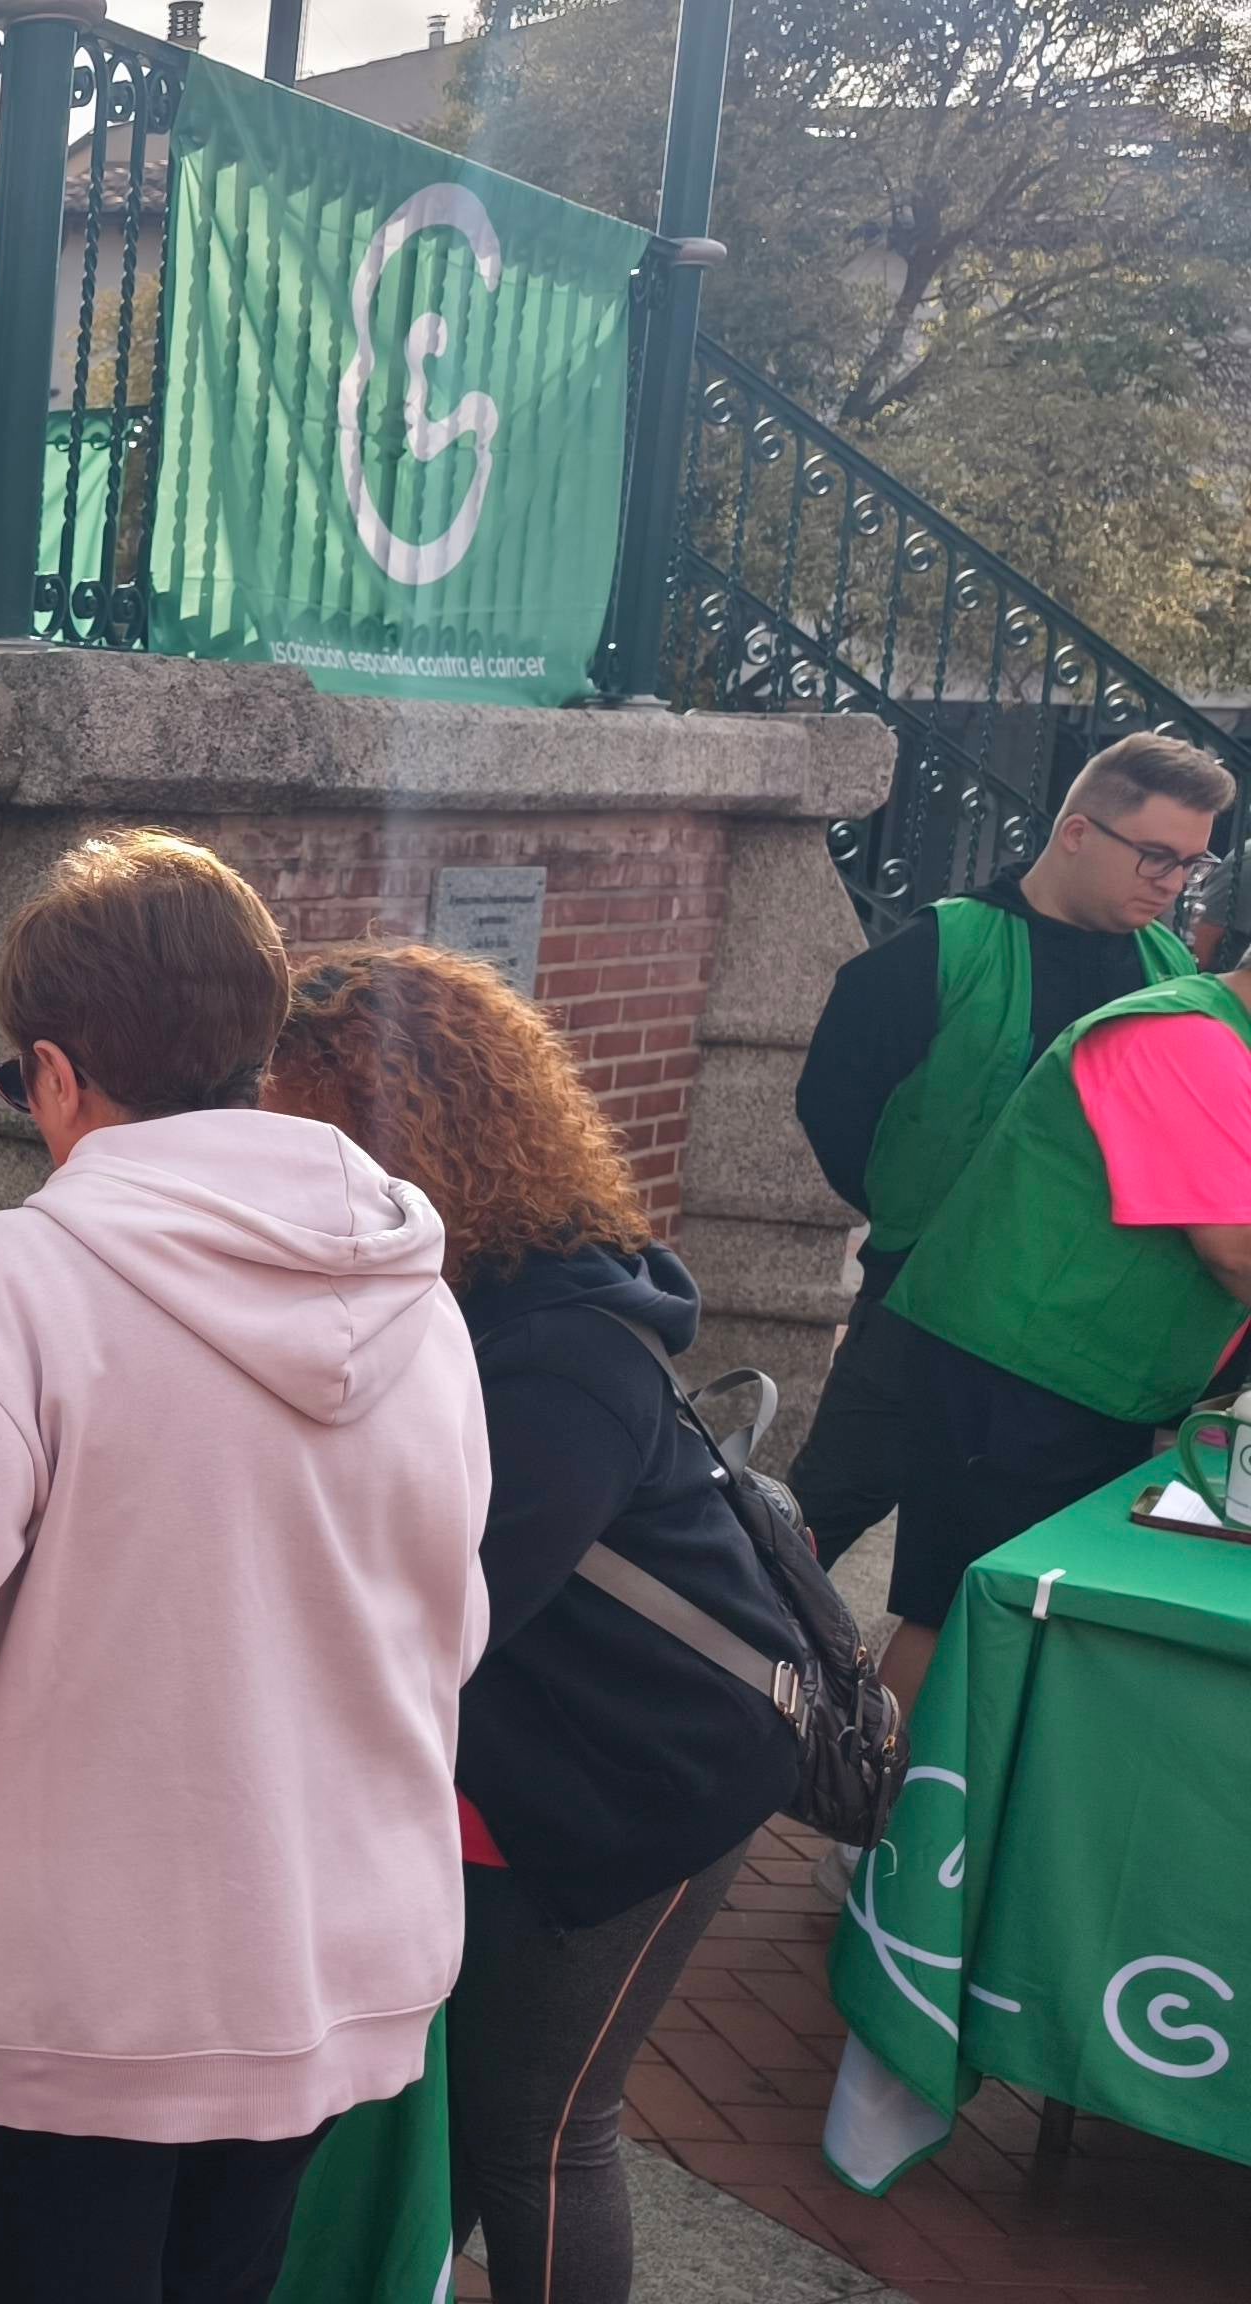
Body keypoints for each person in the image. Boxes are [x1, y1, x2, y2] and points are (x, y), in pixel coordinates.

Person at [0, 831, 489, 2304]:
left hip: (71, 1999)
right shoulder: (414, 1294)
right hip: (322, 1961)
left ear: (55, 1071)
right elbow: (452, 1622)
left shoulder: (20, 1281)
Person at [267, 946, 801, 2304]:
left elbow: (446, 1611)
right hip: (514, 1771)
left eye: (293, 1128)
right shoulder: (432, 1291)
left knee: (542, 2141)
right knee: (459, 2120)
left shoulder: (564, 1344)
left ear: (405, 1134)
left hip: (643, 1779)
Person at [788, 734, 1229, 1578]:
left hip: (1061, 1341)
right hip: (920, 1306)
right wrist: (919, 1217)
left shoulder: (1169, 969)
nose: (1172, 884)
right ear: (1077, 832)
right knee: (806, 1537)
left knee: (1001, 1572)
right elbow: (834, 1103)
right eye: (1155, 857)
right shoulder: (938, 948)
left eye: (1190, 865)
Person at [876, 941, 1251, 1712]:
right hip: (1019, 1366)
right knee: (963, 1609)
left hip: (1097, 1375)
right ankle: (865, 1816)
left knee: (1025, 1616)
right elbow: (1235, 1250)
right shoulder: (1182, 1036)